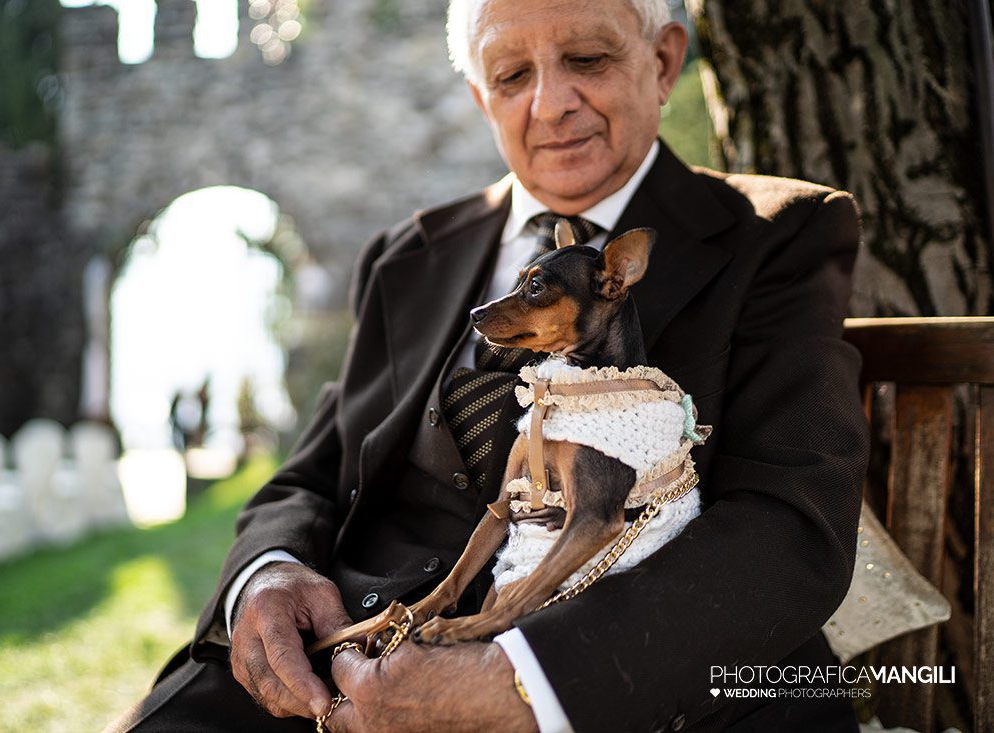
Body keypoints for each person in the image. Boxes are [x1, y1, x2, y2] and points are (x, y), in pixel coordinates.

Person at [107, 0, 869, 730]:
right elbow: (313, 475)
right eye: (511, 75)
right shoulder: (405, 255)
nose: (551, 104)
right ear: (480, 96)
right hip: (341, 662)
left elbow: (789, 522)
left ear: (665, 62)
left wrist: (532, 686)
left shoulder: (778, 236)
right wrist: (266, 573)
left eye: (587, 58)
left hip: (625, 688)